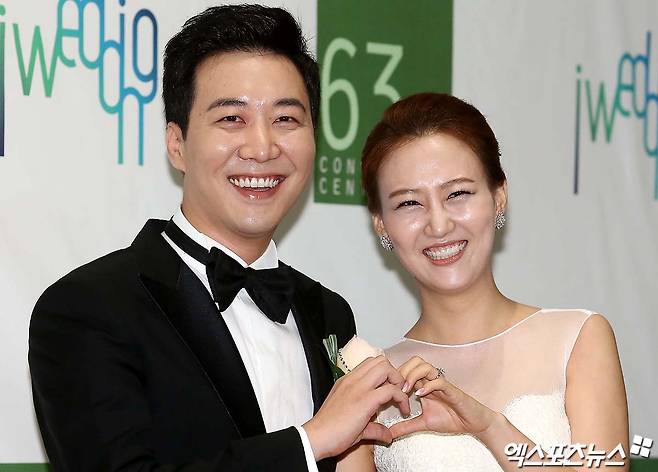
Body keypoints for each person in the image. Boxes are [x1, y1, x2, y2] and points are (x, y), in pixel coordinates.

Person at [28, 5, 410, 471]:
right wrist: (309, 443)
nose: (262, 147)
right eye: (232, 118)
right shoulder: (87, 309)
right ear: (177, 144)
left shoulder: (329, 313)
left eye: (286, 119)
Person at [336, 93, 629, 471]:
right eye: (409, 203)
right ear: (381, 224)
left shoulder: (577, 339)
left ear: (498, 196)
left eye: (457, 194)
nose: (438, 224)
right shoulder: (374, 382)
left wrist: (489, 426)